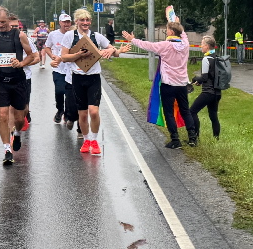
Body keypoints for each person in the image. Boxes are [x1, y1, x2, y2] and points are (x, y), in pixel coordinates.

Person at [121, 16, 197, 149]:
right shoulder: (185, 45)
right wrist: (178, 23)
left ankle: (175, 140)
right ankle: (192, 138)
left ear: (171, 32)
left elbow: (148, 46)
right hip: (182, 84)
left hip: (168, 85)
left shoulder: (165, 45)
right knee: (185, 110)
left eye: (167, 29)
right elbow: (183, 35)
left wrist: (132, 40)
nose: (166, 31)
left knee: (169, 112)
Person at [60, 8, 121, 155]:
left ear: (90, 22)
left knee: (94, 111)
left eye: (87, 20)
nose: (85, 22)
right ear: (77, 22)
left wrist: (113, 50)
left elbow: (115, 52)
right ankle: (86, 140)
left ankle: (94, 140)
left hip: (93, 78)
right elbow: (64, 57)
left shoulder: (96, 36)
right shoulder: (70, 36)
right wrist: (78, 55)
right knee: (82, 114)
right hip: (77, 78)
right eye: (82, 20)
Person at [0, 6, 36, 165]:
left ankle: (17, 133)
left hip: (17, 80)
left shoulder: (19, 35)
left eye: (3, 22)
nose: (0, 25)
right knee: (3, 115)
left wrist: (21, 63)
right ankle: (7, 150)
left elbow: (32, 55)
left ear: (8, 20)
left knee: (19, 118)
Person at [190, 36, 222, 144]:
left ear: (207, 46)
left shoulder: (206, 59)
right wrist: (200, 81)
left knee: (192, 112)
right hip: (217, 92)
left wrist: (195, 79)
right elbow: (211, 76)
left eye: (202, 44)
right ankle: (216, 139)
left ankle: (195, 138)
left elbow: (204, 77)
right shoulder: (217, 58)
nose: (201, 46)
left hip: (208, 92)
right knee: (213, 116)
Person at [9, 14, 39, 129]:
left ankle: (24, 117)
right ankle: (13, 134)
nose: (15, 29)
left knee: (24, 108)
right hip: (8, 78)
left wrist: (22, 64)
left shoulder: (26, 39)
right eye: (12, 26)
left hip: (24, 78)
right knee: (10, 108)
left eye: (16, 26)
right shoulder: (2, 40)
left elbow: (37, 58)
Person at [43, 13, 73, 124]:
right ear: (60, 23)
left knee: (69, 94)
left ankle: (67, 113)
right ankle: (60, 110)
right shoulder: (53, 34)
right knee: (59, 91)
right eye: (64, 22)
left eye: (68, 22)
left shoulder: (73, 34)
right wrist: (52, 56)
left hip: (71, 69)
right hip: (58, 68)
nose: (66, 24)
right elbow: (47, 47)